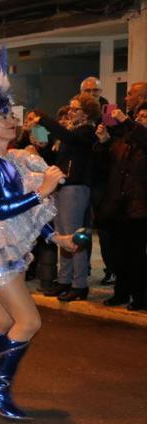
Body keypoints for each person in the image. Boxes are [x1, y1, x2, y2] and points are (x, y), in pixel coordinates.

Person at [0, 40, 77, 421]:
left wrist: (54, 238)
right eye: (5, 116)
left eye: (13, 114)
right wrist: (43, 190)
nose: (13, 120)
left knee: (5, 320)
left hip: (7, 248)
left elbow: (26, 217)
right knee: (29, 321)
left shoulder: (13, 161)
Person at [34, 94, 100, 301]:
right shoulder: (73, 133)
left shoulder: (87, 131)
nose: (70, 112)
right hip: (63, 186)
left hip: (76, 187)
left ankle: (79, 284)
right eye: (70, 109)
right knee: (63, 236)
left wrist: (44, 120)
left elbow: (69, 138)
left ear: (86, 113)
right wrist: (43, 148)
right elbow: (57, 160)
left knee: (74, 236)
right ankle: (64, 281)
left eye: (74, 109)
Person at [96, 101, 147, 311]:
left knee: (137, 257)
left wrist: (128, 122)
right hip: (118, 206)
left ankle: (141, 297)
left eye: (145, 116)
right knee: (119, 255)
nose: (140, 119)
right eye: (139, 116)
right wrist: (104, 142)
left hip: (140, 207)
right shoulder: (125, 141)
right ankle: (121, 292)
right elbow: (105, 165)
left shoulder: (141, 139)